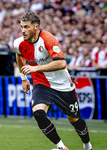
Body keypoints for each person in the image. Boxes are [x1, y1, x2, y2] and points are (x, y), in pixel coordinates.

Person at [14, 12, 93, 150]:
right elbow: (19, 56)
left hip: (63, 85)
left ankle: (87, 146)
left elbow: (61, 63)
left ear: (36, 27)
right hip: (41, 84)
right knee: (38, 113)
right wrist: (24, 78)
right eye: (21, 27)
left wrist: (34, 68)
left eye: (26, 27)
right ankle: (61, 147)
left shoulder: (49, 39)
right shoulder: (19, 43)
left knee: (75, 120)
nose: (23, 30)